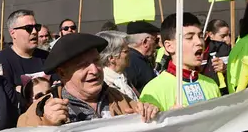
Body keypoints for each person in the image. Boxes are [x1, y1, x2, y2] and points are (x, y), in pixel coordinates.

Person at [18, 33, 158, 127]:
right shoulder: (42, 109)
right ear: (62, 73)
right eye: (83, 65)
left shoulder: (120, 99)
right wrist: (47, 124)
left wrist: (148, 113)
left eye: (96, 61)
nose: (95, 70)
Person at [139, 13, 221, 111]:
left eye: (200, 36)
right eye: (189, 37)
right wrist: (170, 118)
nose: (199, 42)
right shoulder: (153, 90)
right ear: (169, 46)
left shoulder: (211, 84)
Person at [0, 9, 48, 94]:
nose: (34, 32)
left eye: (36, 27)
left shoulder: (47, 57)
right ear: (13, 33)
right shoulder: (0, 61)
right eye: (28, 28)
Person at [96, 30, 138, 100]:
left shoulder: (122, 78)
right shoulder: (103, 85)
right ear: (111, 58)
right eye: (126, 51)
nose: (130, 53)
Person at [123, 21, 160, 94]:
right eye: (156, 40)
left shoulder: (136, 59)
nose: (157, 45)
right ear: (145, 42)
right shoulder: (131, 62)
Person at [202, 19, 232, 94]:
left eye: (229, 35)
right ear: (210, 35)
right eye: (223, 36)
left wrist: (225, 69)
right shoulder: (202, 51)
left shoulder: (228, 49)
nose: (228, 40)